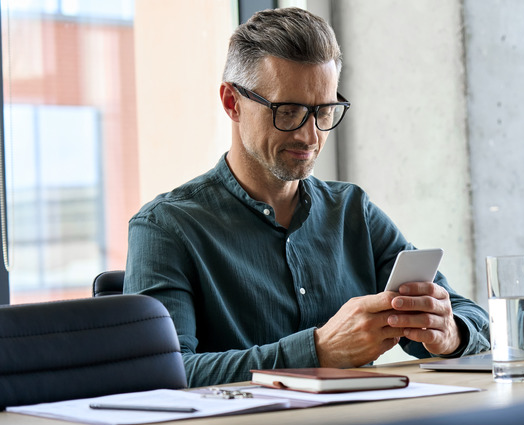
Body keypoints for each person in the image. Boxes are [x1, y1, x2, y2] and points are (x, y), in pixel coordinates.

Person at [124, 7, 490, 388]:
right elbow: (162, 373)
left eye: (324, 111)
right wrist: (318, 351)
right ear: (232, 102)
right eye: (289, 111)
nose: (310, 135)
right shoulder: (166, 228)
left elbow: (467, 314)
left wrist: (448, 334)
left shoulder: (352, 212)